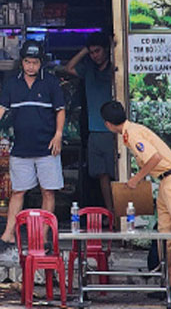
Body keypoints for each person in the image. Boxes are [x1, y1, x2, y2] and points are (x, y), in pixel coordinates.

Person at [100, 100, 171, 305]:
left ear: (107, 124)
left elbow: (154, 158)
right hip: (164, 182)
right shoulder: (132, 130)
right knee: (165, 234)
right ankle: (168, 284)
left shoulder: (133, 134)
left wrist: (136, 179)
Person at [0, 40, 66, 252]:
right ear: (21, 62)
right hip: (21, 149)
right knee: (17, 192)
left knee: (48, 193)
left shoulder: (51, 83)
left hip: (47, 148)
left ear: (41, 62)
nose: (31, 66)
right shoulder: (12, 84)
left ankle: (44, 239)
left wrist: (58, 135)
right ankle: (8, 236)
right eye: (27, 61)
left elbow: (60, 110)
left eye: (35, 62)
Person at [59, 32, 115, 215]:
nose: (94, 55)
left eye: (97, 51)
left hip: (115, 130)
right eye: (91, 52)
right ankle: (110, 212)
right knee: (102, 175)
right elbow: (68, 68)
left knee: (117, 174)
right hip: (94, 130)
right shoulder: (88, 69)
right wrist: (85, 50)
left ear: (107, 49)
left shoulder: (116, 68)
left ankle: (121, 213)